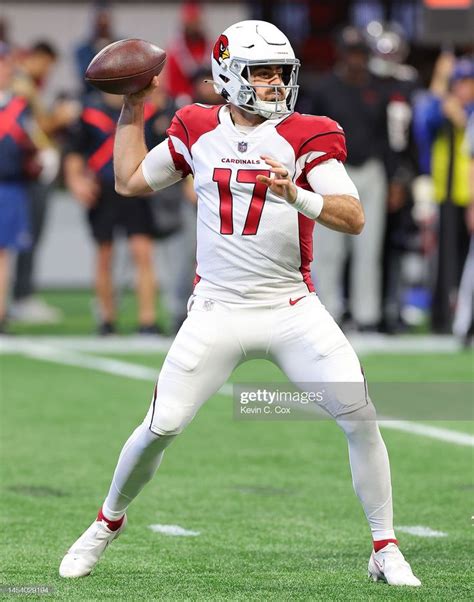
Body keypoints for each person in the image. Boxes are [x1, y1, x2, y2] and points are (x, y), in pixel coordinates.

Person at [59, 21, 420, 587]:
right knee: (162, 424)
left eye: (282, 71)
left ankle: (385, 546)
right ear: (229, 74)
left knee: (360, 415)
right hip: (217, 309)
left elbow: (353, 216)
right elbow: (129, 180)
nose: (276, 83)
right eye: (262, 72)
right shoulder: (196, 126)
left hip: (291, 308)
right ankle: (105, 524)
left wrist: (296, 193)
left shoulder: (308, 133)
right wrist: (132, 107)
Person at [309, 26, 389, 331]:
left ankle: (366, 315)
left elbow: (386, 136)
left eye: (360, 54)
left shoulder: (377, 88)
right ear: (342, 55)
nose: (356, 60)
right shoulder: (325, 88)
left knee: (369, 249)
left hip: (370, 170)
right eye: (351, 53)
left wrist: (394, 176)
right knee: (328, 248)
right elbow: (312, 133)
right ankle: (328, 311)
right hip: (332, 171)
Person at [63, 90, 162, 335]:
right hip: (103, 190)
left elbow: (160, 149)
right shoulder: (89, 113)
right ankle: (106, 319)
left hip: (137, 190)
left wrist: (156, 180)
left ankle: (147, 320)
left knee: (143, 254)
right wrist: (77, 182)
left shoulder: (146, 111)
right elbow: (74, 153)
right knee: (105, 255)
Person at [10, 40, 78, 324]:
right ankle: (21, 296)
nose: (48, 70)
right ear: (38, 57)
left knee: (27, 236)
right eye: (48, 63)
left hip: (32, 172)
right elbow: (34, 130)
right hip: (30, 173)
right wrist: (61, 118)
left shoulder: (26, 86)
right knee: (27, 236)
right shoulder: (22, 87)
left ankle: (21, 294)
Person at [0, 43, 36, 332]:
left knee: (5, 253)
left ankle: (1, 313)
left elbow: (35, 142)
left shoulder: (21, 105)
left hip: (10, 185)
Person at [164, 1, 213, 107]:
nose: (194, 25)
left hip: (209, 98)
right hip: (182, 100)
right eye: (191, 22)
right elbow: (174, 86)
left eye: (196, 22)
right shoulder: (175, 51)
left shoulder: (210, 47)